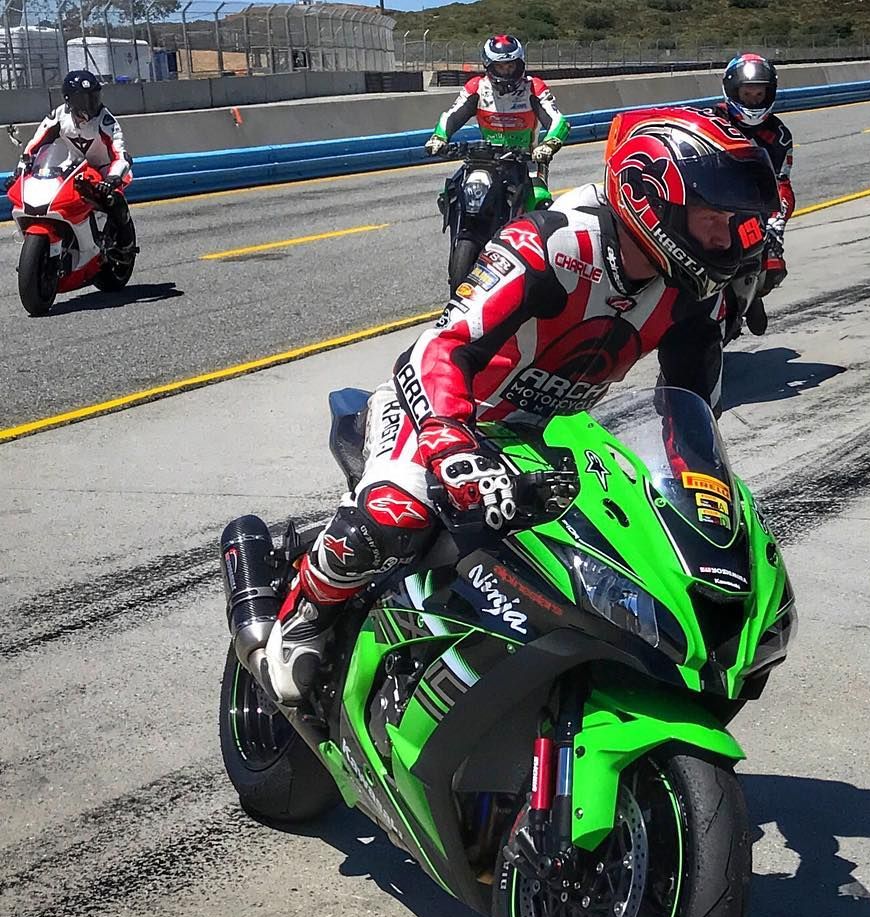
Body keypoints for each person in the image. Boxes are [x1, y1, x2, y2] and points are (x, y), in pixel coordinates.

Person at [263, 106, 779, 704]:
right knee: (397, 511)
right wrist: (450, 441)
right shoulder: (549, 243)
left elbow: (688, 416)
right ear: (648, 197)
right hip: (443, 411)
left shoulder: (689, 292)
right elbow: (440, 348)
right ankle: (303, 619)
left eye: (736, 220)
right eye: (713, 217)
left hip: (553, 438)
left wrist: (703, 504)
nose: (729, 236)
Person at [423, 34, 570, 208]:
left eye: (510, 65)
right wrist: (439, 137)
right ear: (489, 66)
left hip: (526, 161)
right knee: (451, 196)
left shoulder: (533, 87)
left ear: (520, 64)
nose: (506, 71)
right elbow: (453, 115)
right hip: (486, 160)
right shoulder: (476, 87)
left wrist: (548, 144)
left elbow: (557, 120)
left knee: (539, 201)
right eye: (500, 66)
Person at [10, 70, 136, 263]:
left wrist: (112, 178)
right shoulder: (59, 115)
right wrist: (20, 170)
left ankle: (126, 244)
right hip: (74, 166)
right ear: (70, 100)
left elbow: (120, 155)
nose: (91, 104)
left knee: (113, 198)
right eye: (83, 99)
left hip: (103, 168)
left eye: (93, 97)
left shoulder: (106, 120)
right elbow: (34, 146)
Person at [712, 53, 794, 336]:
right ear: (733, 91)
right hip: (712, 204)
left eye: (759, 94)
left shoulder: (779, 135)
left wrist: (777, 220)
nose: (753, 100)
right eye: (747, 93)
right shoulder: (711, 120)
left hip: (756, 210)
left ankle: (754, 295)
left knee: (774, 265)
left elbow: (783, 182)